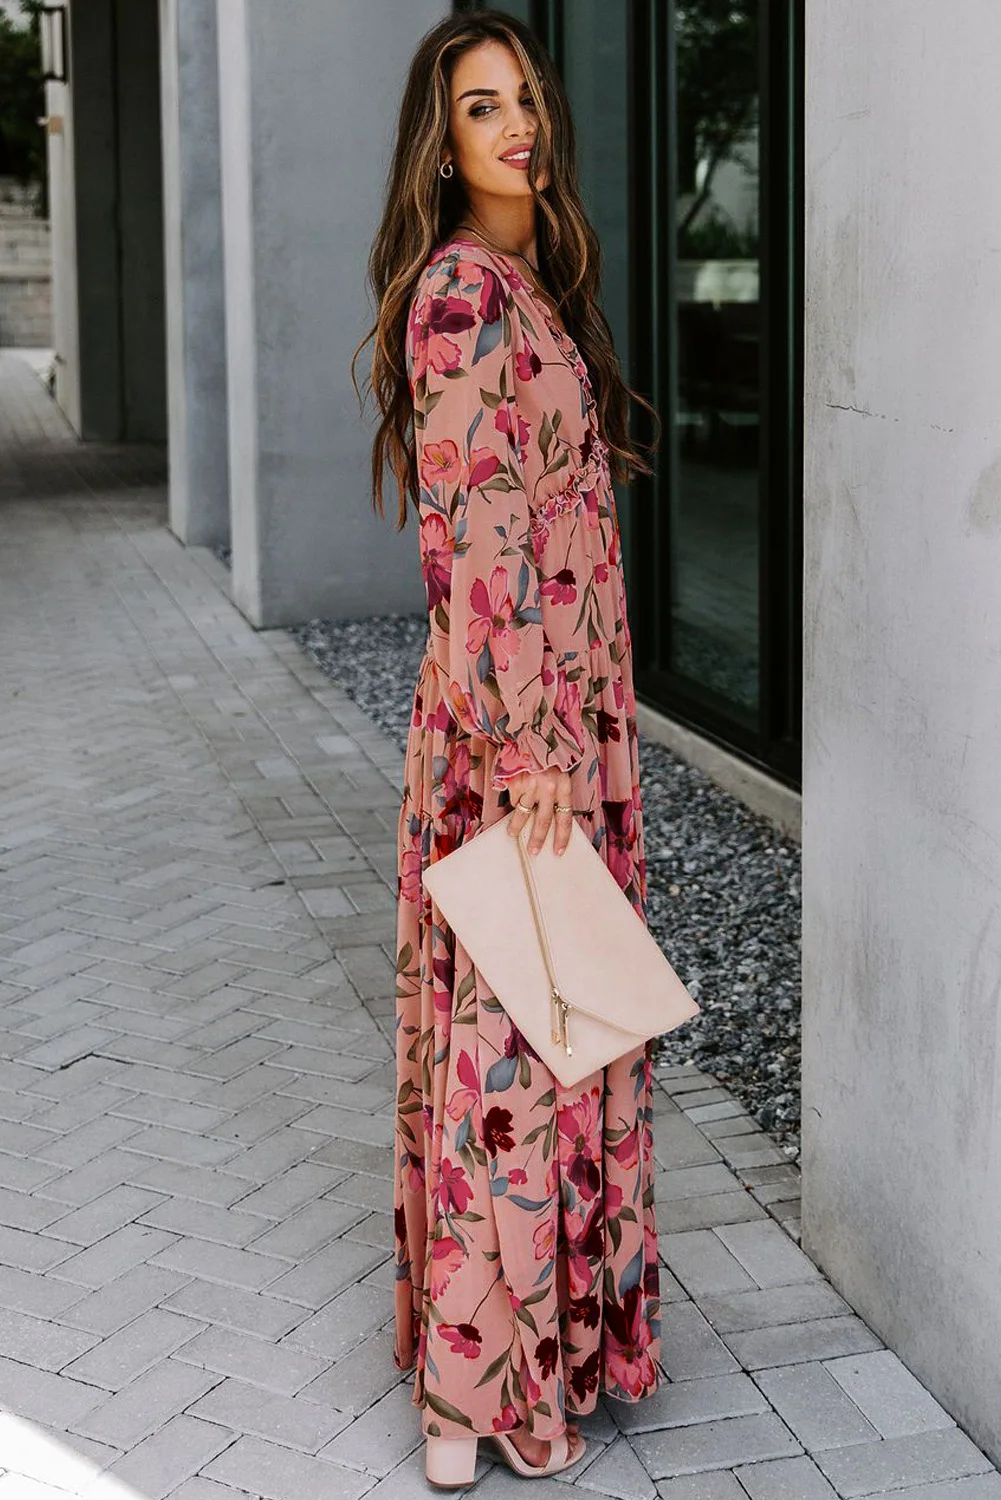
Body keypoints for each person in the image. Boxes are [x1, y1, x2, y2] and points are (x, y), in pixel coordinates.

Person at [354, 9, 663, 1488]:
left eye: (526, 96)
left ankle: (528, 1352)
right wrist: (535, 740)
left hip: (564, 721)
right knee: (512, 1048)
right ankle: (468, 1396)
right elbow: (473, 537)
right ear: (443, 142)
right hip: (516, 734)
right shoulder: (461, 296)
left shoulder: (531, 282)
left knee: (556, 1024)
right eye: (482, 107)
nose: (518, 123)